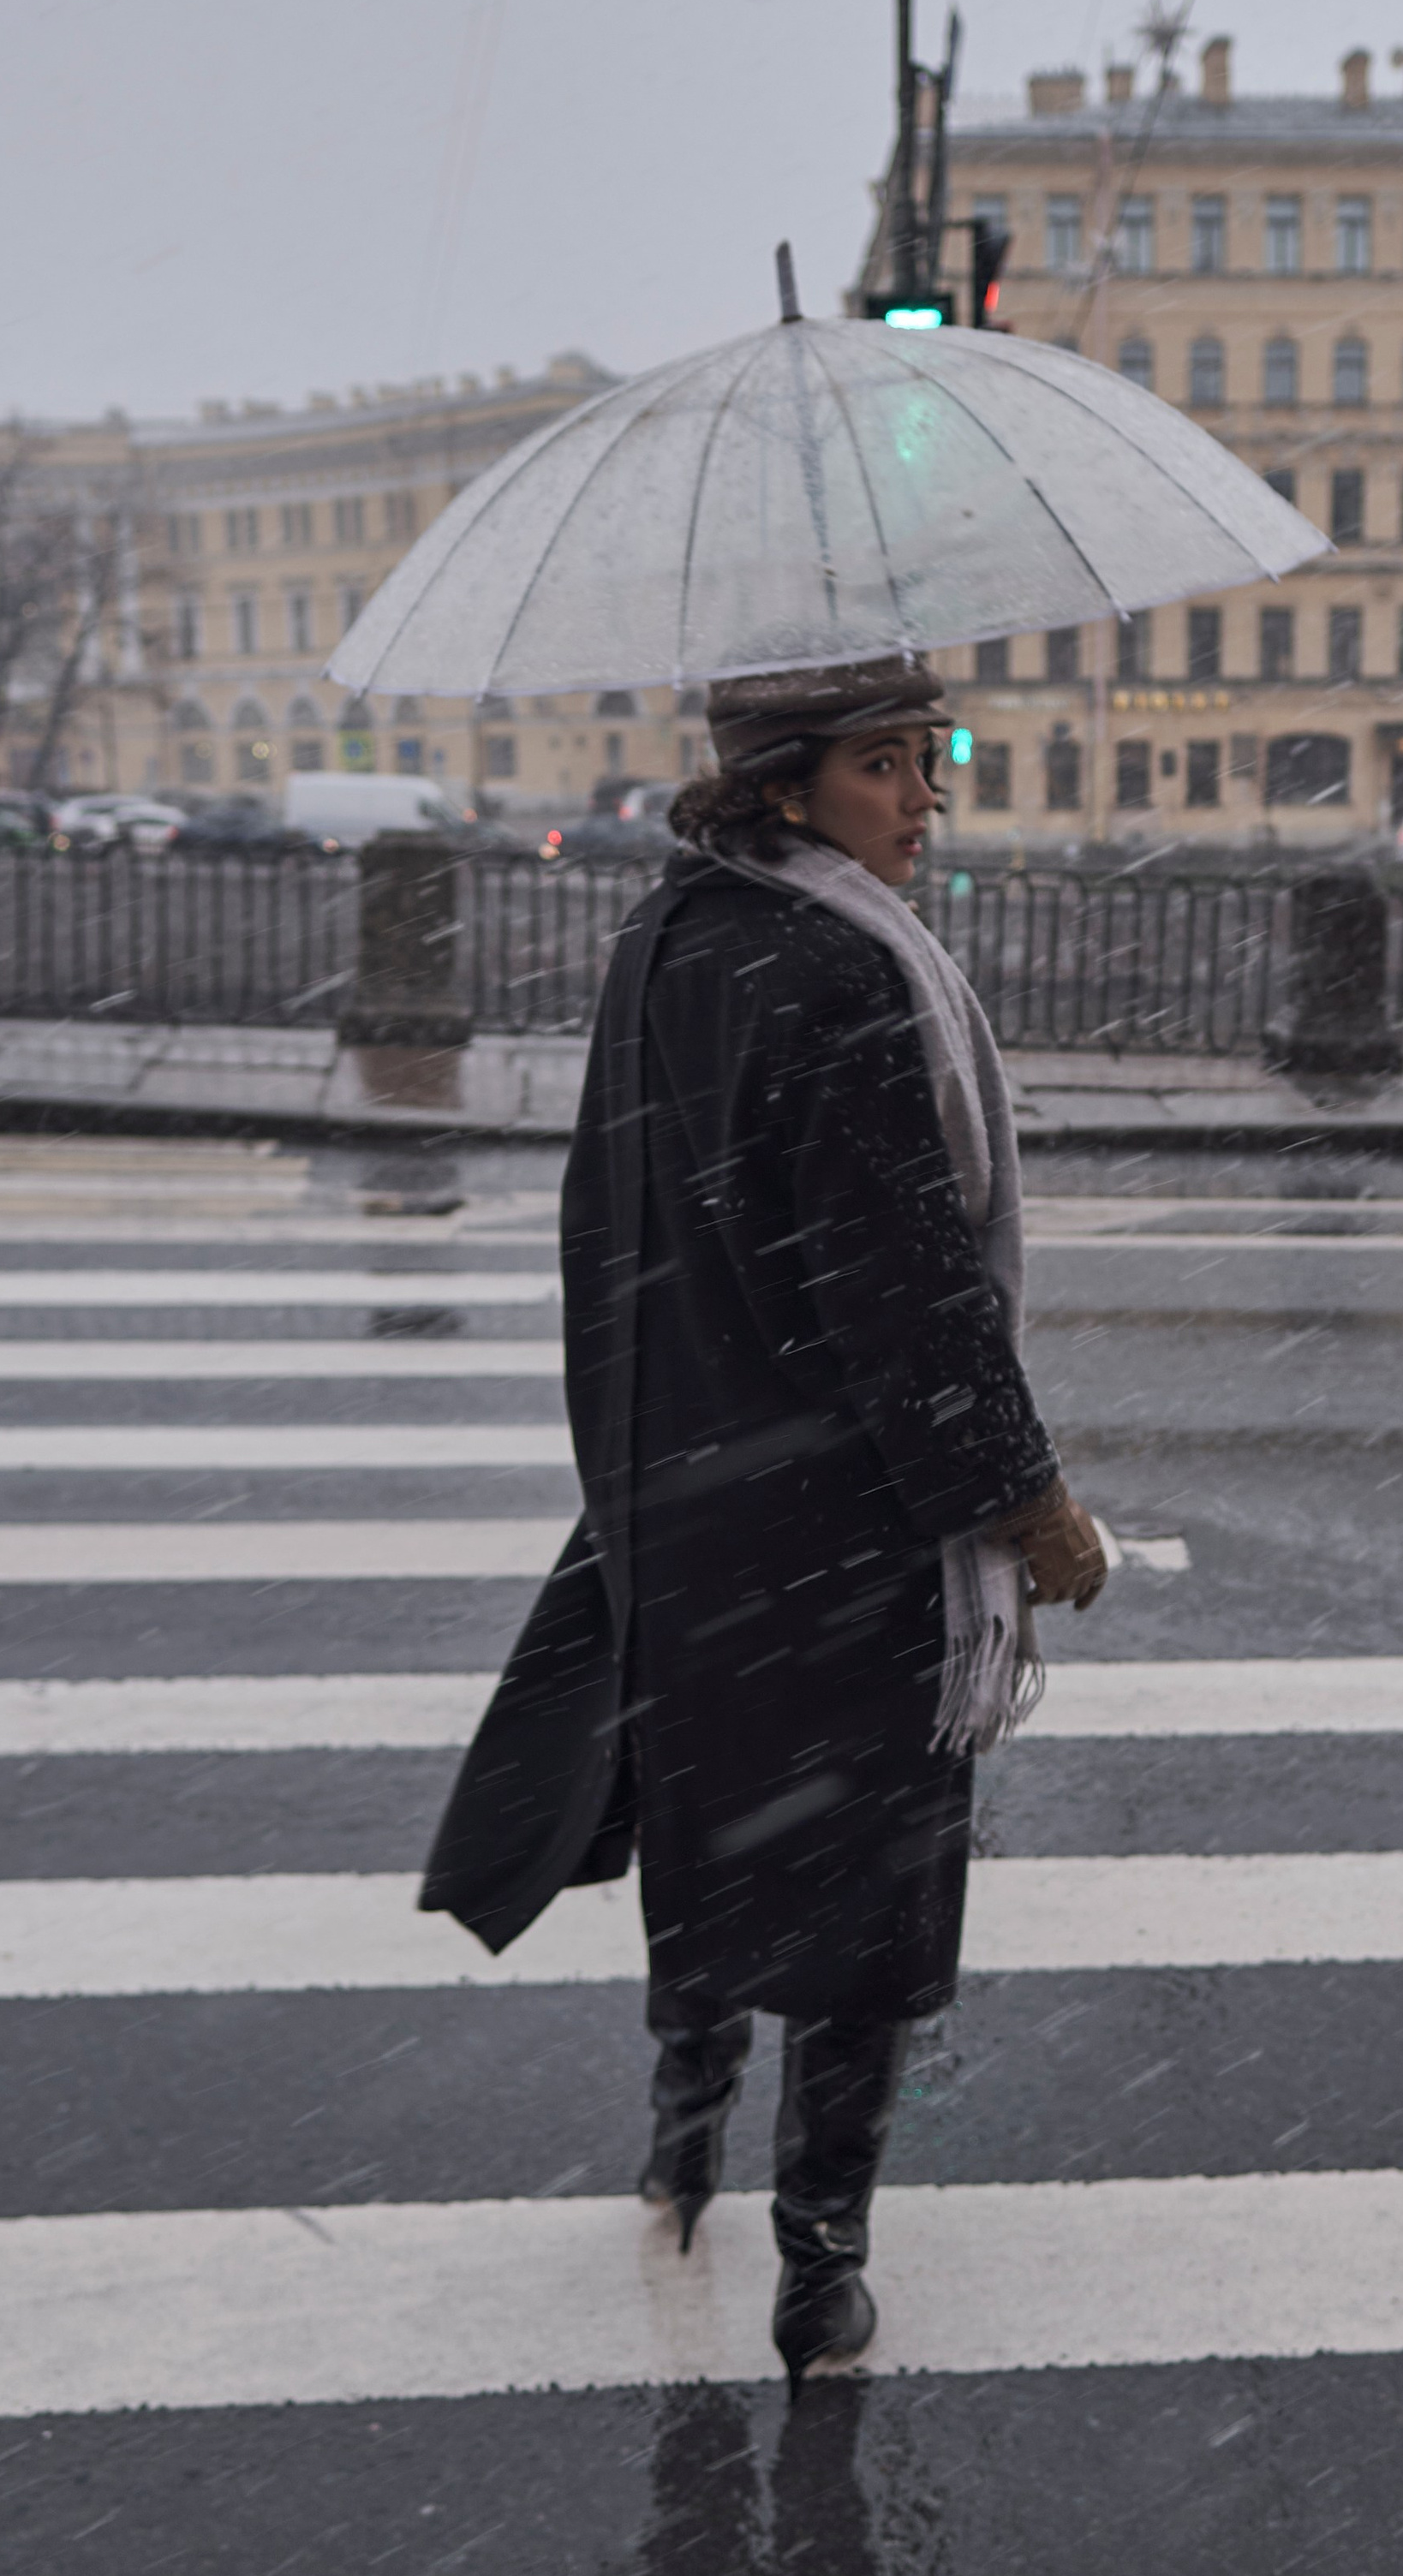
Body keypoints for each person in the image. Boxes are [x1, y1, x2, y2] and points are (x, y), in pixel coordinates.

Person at [421, 651, 1105, 2387]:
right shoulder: (844, 968)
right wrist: (1027, 1501)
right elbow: (910, 1289)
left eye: (930, 760)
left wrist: (640, 1458)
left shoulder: (670, 932)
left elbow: (613, 1219)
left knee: (717, 1831)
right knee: (866, 1893)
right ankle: (821, 2268)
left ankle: (683, 2133)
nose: (925, 799)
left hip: (693, 1482)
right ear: (787, 784)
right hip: (848, 1513)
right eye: (887, 766)